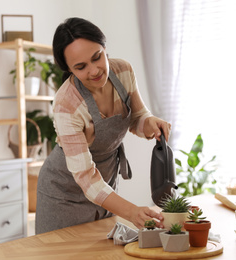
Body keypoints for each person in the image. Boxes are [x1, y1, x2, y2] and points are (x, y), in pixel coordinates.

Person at [35, 17, 171, 234]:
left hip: (104, 184)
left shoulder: (123, 71)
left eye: (97, 57)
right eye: (80, 67)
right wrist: (132, 211)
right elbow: (86, 179)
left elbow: (137, 117)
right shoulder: (67, 103)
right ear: (69, 70)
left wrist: (150, 123)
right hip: (64, 193)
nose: (94, 71)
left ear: (104, 49)